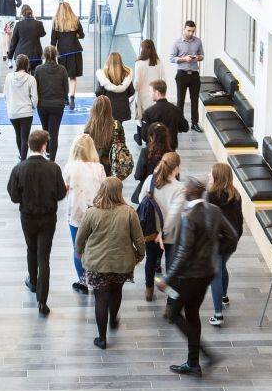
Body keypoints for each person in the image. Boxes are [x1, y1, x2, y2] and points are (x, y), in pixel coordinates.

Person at [157, 178, 237, 375]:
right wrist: (215, 251)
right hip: (207, 272)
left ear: (191, 192)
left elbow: (184, 252)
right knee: (192, 313)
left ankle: (206, 354)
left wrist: (167, 279)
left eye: (186, 187)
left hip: (190, 275)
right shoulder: (214, 210)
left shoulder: (190, 216)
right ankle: (193, 363)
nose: (183, 189)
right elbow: (232, 236)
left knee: (173, 313)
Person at [75, 177, 144, 350]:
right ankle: (113, 319)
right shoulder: (129, 212)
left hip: (97, 264)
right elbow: (139, 239)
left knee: (100, 298)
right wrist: (139, 255)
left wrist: (81, 251)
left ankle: (102, 338)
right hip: (122, 263)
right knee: (116, 291)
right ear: (119, 192)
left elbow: (80, 239)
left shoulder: (92, 212)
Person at [7, 129, 67, 315]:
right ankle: (42, 301)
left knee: (31, 249)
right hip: (48, 218)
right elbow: (61, 194)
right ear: (44, 146)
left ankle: (33, 281)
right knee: (44, 257)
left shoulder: (19, 168)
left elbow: (14, 197)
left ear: (28, 145)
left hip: (27, 217)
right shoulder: (54, 168)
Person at [63, 134, 107, 295]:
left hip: (76, 213)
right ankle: (97, 280)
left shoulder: (70, 167)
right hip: (96, 214)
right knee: (96, 247)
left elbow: (64, 188)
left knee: (78, 249)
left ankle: (83, 281)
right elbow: (104, 190)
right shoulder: (99, 168)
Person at [140, 152, 183, 303]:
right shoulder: (179, 188)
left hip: (150, 230)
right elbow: (175, 215)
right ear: (176, 169)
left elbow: (141, 200)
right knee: (171, 267)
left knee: (150, 260)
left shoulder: (150, 180)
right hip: (170, 235)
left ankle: (149, 290)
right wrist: (163, 233)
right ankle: (170, 305)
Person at [205, 162, 242, 326]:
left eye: (211, 173)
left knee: (216, 274)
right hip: (232, 240)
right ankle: (224, 296)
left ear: (217, 177)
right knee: (222, 267)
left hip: (216, 242)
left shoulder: (210, 196)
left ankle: (218, 315)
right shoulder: (236, 195)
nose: (208, 175)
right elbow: (240, 220)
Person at [168, 20, 205, 133]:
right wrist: (185, 59)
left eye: (193, 31)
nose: (190, 33)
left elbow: (202, 56)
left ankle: (195, 123)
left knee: (194, 101)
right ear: (184, 29)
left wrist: (197, 58)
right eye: (188, 30)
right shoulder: (177, 43)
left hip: (194, 75)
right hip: (182, 74)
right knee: (180, 101)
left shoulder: (198, 41)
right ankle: (179, 124)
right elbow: (171, 58)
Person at [33, 46, 70, 160]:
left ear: (44, 55)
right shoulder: (62, 69)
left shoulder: (38, 69)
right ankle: (52, 160)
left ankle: (47, 151)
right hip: (57, 105)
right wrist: (64, 99)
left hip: (42, 104)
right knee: (54, 134)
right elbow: (66, 88)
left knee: (45, 129)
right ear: (56, 55)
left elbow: (36, 87)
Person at [50, 1, 86, 110]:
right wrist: (75, 35)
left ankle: (64, 98)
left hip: (62, 53)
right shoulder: (75, 20)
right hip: (75, 51)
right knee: (73, 77)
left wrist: (52, 55)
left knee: (63, 76)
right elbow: (82, 35)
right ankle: (72, 98)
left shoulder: (56, 22)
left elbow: (53, 41)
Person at [137, 79, 189, 151]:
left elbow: (144, 136)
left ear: (157, 92)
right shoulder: (176, 110)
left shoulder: (148, 113)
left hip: (154, 150)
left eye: (150, 91)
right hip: (171, 149)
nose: (149, 94)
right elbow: (185, 128)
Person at [3, 55, 38, 160]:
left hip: (13, 112)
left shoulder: (9, 77)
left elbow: (5, 95)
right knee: (25, 137)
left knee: (18, 135)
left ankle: (22, 157)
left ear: (16, 64)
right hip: (26, 112)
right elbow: (35, 98)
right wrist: (32, 106)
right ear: (27, 64)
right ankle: (23, 159)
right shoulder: (31, 79)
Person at [132, 39, 169, 129]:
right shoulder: (159, 63)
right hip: (156, 94)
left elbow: (137, 82)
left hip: (143, 95)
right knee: (155, 117)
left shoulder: (139, 63)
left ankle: (141, 136)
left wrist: (133, 92)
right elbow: (163, 80)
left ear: (143, 49)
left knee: (143, 117)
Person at [131, 122, 170, 204]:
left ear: (151, 138)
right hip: (166, 192)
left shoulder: (145, 152)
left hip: (148, 192)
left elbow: (138, 175)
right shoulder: (171, 154)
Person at [94, 51, 135, 125]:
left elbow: (98, 92)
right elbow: (131, 91)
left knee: (108, 130)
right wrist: (123, 96)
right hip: (122, 107)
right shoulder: (126, 74)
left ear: (108, 61)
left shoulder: (103, 75)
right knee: (119, 129)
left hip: (107, 107)